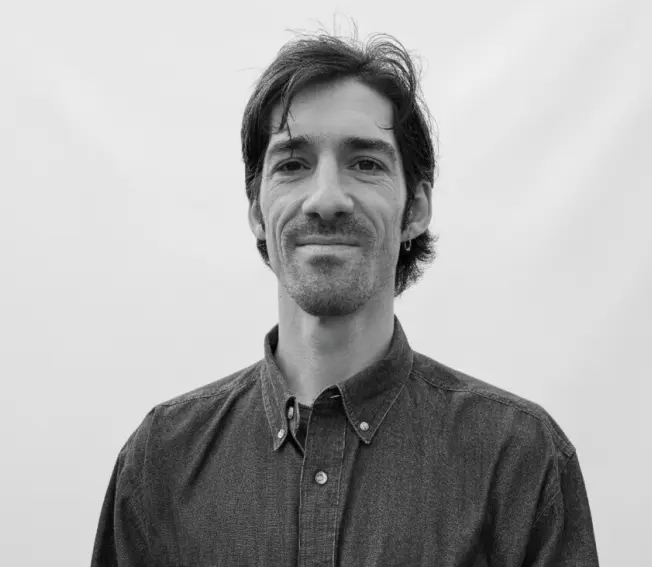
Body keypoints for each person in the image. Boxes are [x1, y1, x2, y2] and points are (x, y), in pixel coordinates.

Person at [91, 30, 600, 566]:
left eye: (366, 163)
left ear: (415, 209)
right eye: (292, 164)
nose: (327, 197)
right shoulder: (161, 462)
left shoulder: (517, 459)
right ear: (257, 211)